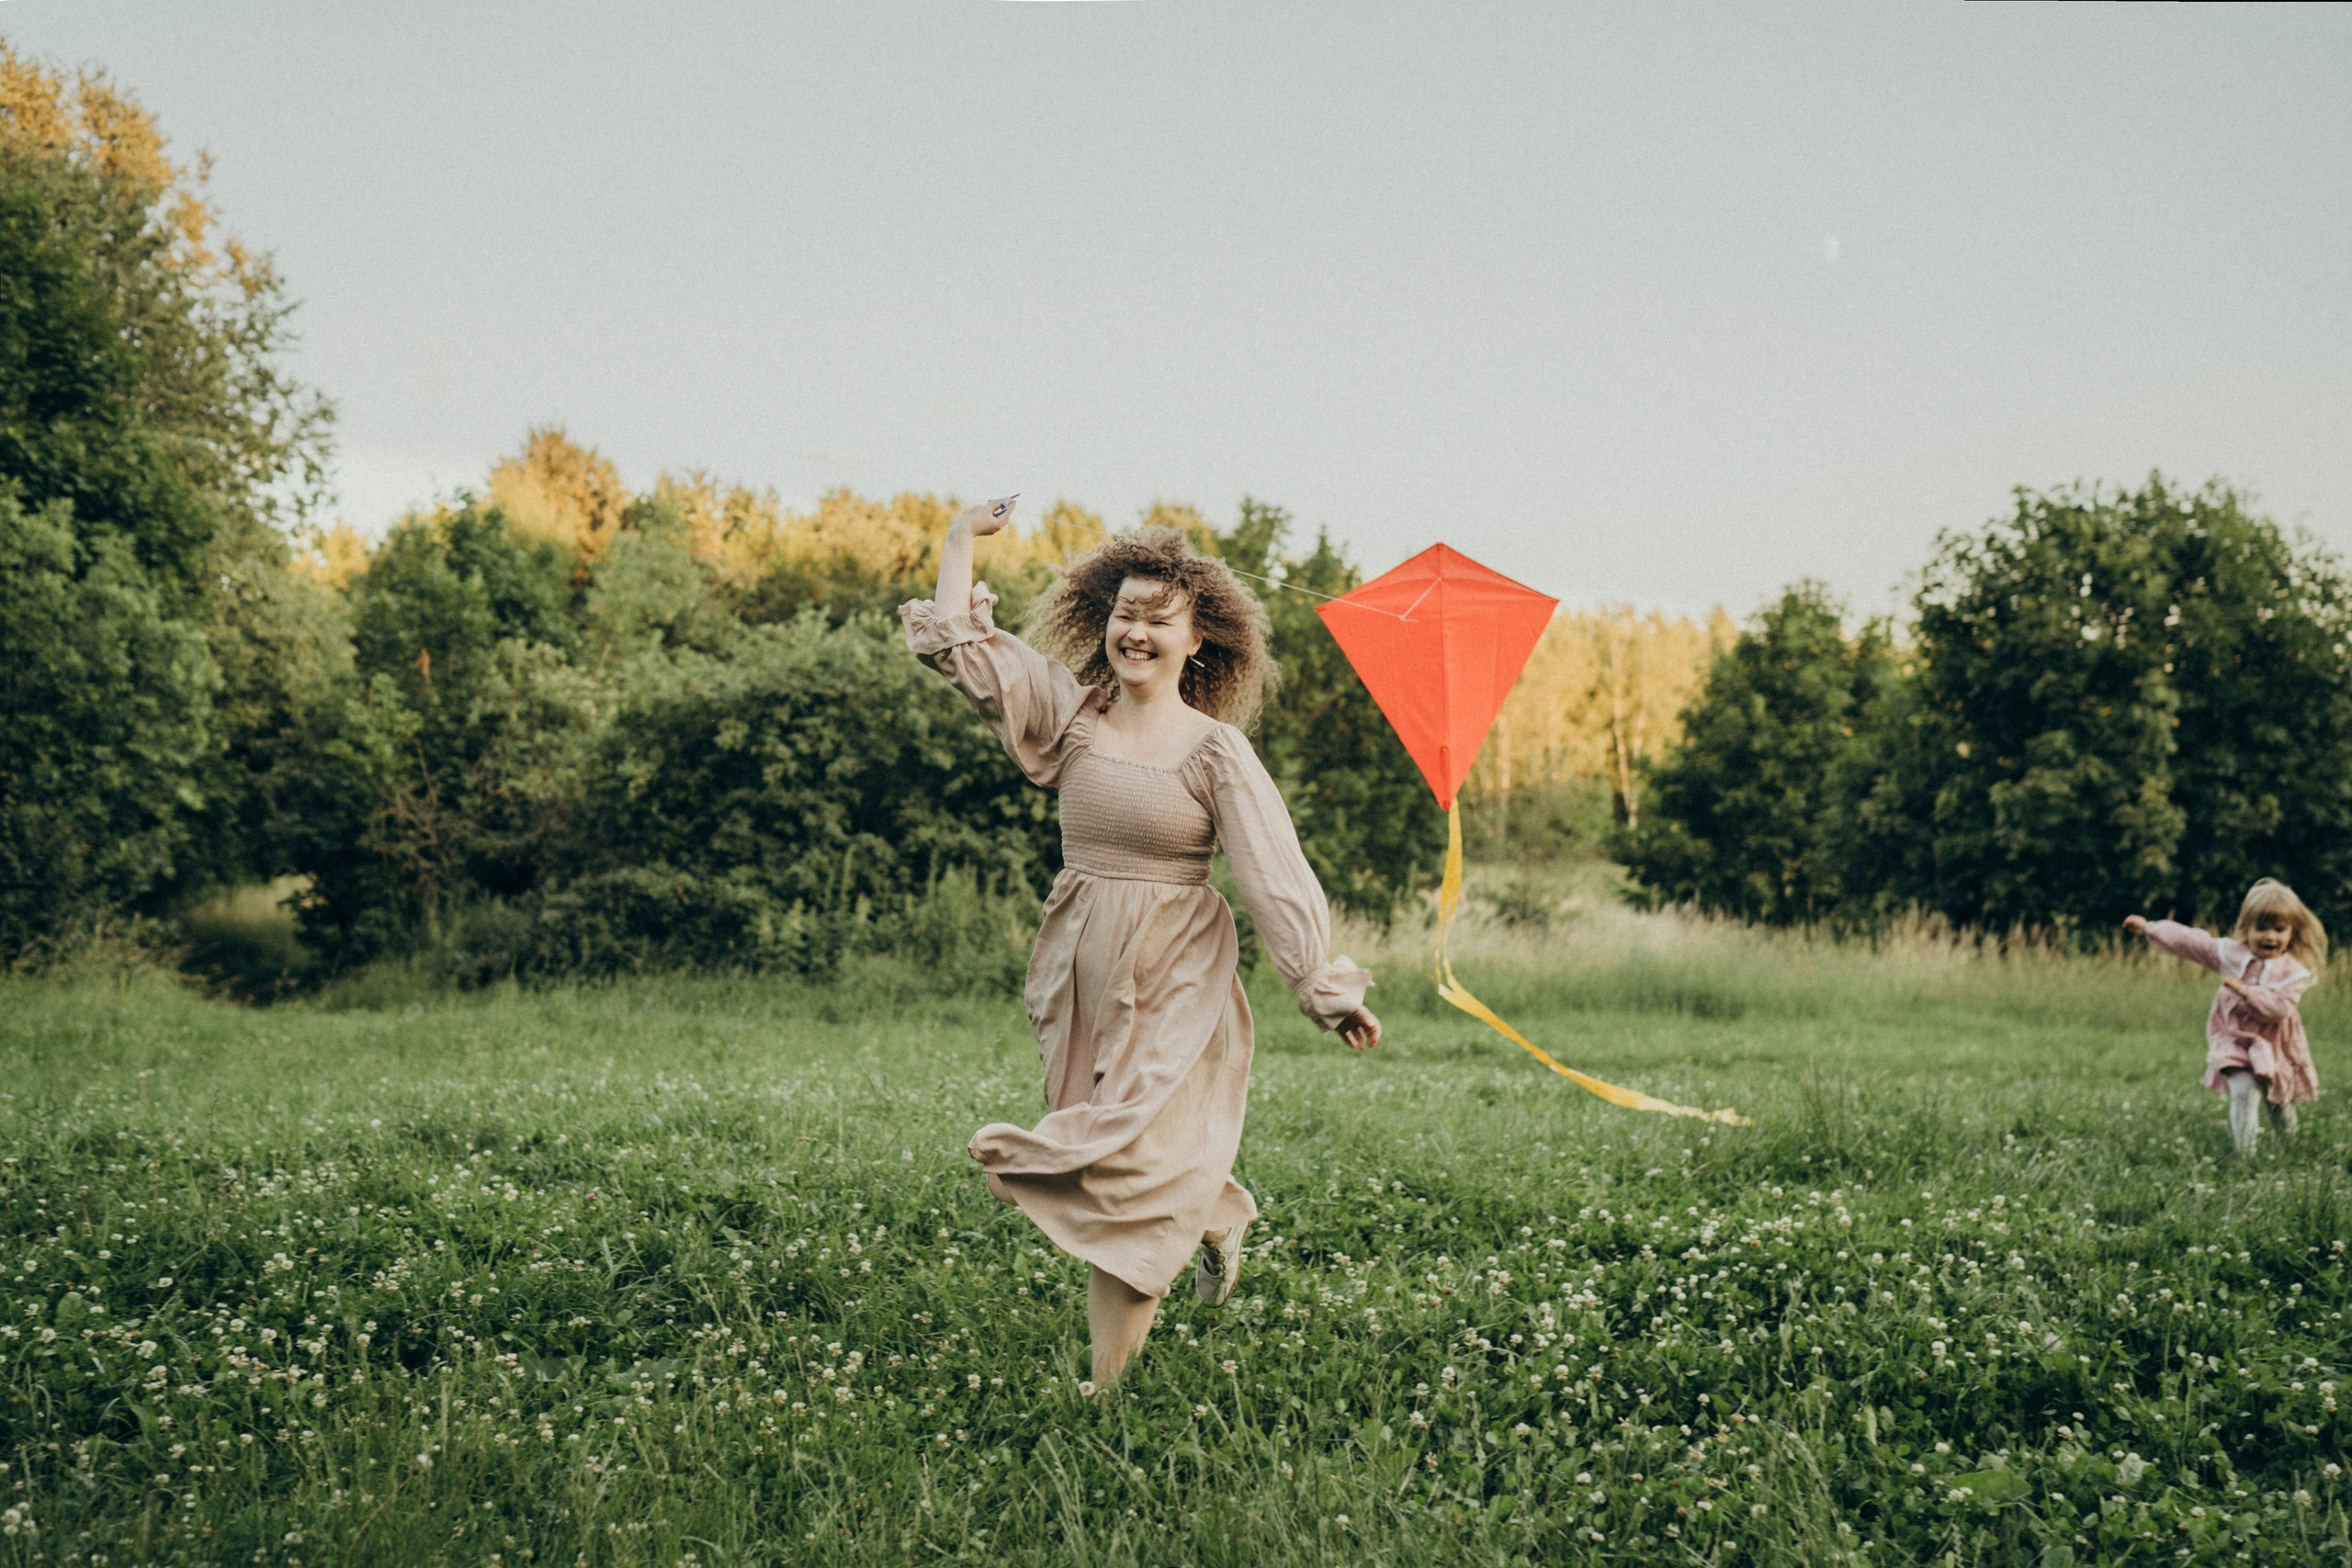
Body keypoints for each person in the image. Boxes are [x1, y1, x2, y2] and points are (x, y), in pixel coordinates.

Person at [899, 500, 1381, 1391]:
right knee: (1130, 1154)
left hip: (1175, 977)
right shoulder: (1072, 716)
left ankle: (1104, 1391)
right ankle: (1215, 1213)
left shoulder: (1214, 752)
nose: (1138, 632)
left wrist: (1320, 983)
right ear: (1103, 618)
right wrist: (961, 540)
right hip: (1081, 970)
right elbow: (962, 652)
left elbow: (1272, 872)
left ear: (1199, 640)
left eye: (1160, 621)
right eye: (1126, 613)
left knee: (1122, 1173)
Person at [2122, 878, 2324, 1156]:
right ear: (2246, 928)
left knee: (2278, 1101)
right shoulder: (2230, 954)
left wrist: (2245, 991)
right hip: (2233, 1037)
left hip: (2274, 1043)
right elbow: (2190, 941)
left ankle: (2289, 1149)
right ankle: (2247, 1156)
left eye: (2279, 929)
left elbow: (2280, 1010)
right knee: (2243, 1090)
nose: (2270, 937)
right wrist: (2149, 928)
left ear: (2291, 932)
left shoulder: (2291, 972)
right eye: (2262, 928)